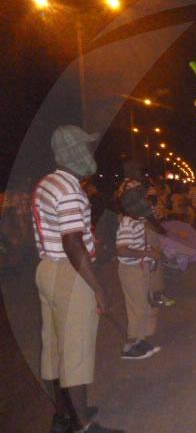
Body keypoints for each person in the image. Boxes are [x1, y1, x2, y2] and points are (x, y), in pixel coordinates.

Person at [32, 125, 123, 433]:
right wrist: (98, 289)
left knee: (55, 347)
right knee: (75, 351)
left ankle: (65, 414)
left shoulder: (47, 183)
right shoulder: (70, 189)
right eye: (84, 147)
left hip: (47, 269)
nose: (89, 153)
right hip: (69, 273)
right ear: (71, 152)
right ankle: (83, 424)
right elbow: (73, 242)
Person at [116, 186, 162, 359]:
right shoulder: (128, 223)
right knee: (137, 309)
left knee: (142, 306)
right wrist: (148, 253)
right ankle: (129, 349)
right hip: (131, 269)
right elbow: (122, 250)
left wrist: (149, 252)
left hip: (138, 266)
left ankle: (139, 341)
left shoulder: (137, 221)